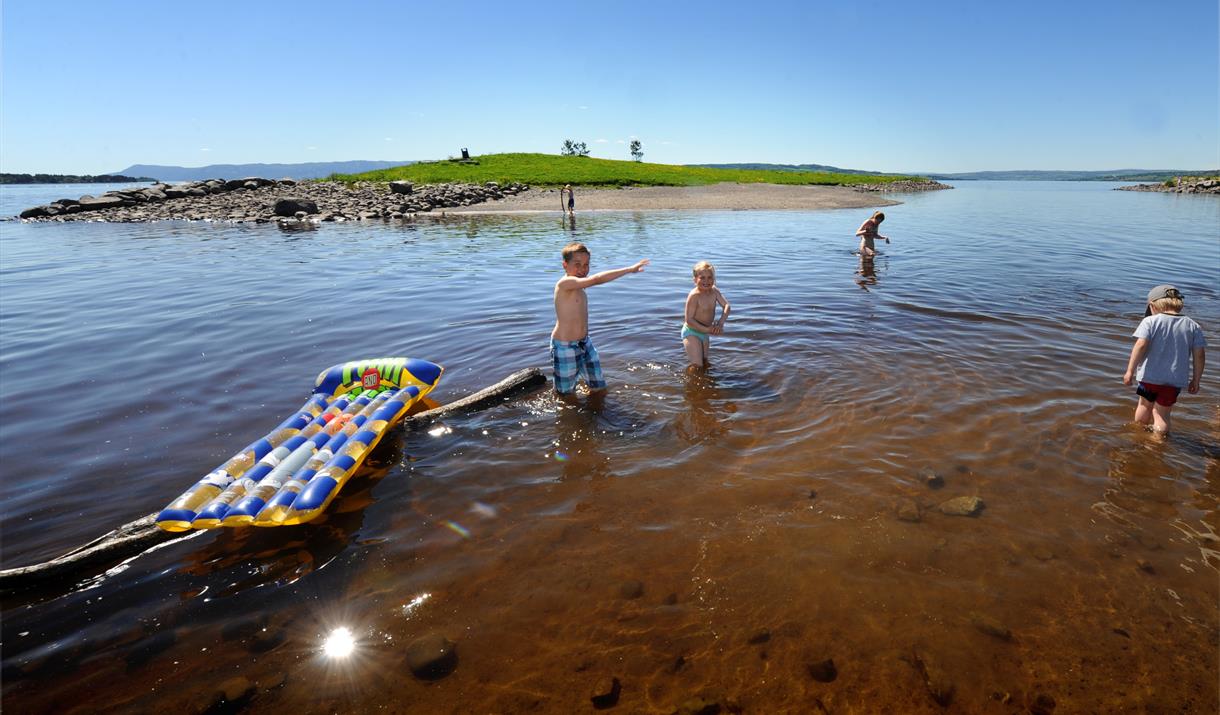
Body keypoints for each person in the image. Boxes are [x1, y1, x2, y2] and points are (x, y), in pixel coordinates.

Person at [551, 242, 649, 395]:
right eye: (577, 264)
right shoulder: (565, 283)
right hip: (565, 347)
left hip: (585, 343)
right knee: (565, 394)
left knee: (598, 387)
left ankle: (594, 411)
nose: (583, 269)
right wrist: (629, 269)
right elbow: (596, 279)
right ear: (565, 265)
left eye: (586, 265)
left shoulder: (579, 284)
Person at [1122, 284, 1207, 435]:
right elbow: (1199, 355)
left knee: (1144, 406)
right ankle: (1157, 442)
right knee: (1162, 414)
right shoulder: (1194, 326)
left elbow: (1140, 345)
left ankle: (1139, 435)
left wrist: (1129, 371)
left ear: (1152, 305)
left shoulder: (1150, 321)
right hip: (1173, 381)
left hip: (1149, 377)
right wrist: (1196, 380)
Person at [682, 261, 731, 368]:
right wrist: (708, 330)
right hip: (692, 332)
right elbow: (689, 320)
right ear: (695, 280)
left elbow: (726, 306)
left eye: (710, 277)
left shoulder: (714, 291)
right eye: (702, 278)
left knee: (705, 362)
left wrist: (720, 323)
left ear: (714, 279)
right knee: (697, 365)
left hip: (705, 333)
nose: (706, 281)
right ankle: (690, 383)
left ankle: (704, 381)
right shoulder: (694, 295)